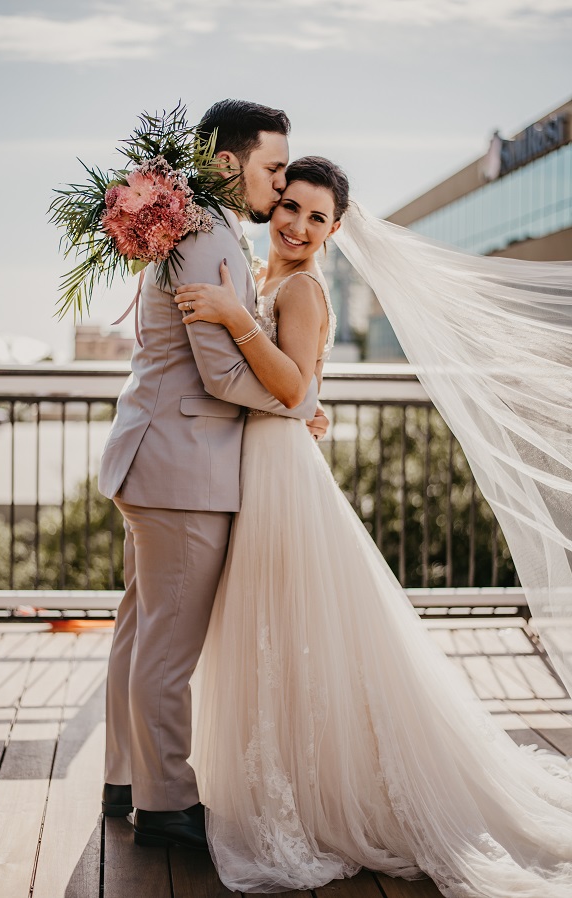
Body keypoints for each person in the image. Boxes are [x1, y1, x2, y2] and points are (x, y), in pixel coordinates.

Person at [174, 157, 572, 896]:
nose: (296, 226)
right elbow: (297, 391)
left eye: (315, 218)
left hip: (281, 475)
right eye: (289, 207)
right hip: (265, 461)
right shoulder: (264, 278)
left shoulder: (300, 287)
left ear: (335, 229)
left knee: (291, 625)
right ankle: (288, 778)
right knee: (280, 629)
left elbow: (291, 386)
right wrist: (294, 387)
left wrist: (236, 321)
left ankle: (318, 795)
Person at [97, 101, 328, 851]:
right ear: (229, 164)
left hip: (159, 458)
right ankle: (165, 805)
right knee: (166, 649)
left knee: (140, 634)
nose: (280, 183)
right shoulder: (206, 237)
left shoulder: (200, 227)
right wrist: (298, 402)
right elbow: (224, 376)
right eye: (272, 169)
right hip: (181, 470)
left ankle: (125, 778)